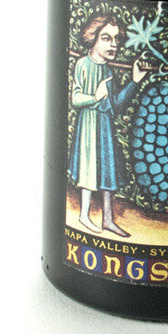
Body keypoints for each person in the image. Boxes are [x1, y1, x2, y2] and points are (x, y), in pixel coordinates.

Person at [68, 15, 147, 236]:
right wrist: (94, 97)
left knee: (108, 171)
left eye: (116, 39)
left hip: (105, 127)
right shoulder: (83, 64)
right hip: (89, 126)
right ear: (92, 38)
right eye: (106, 38)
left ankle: (108, 220)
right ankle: (84, 215)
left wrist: (135, 81)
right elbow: (75, 98)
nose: (114, 44)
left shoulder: (108, 71)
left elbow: (116, 104)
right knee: (88, 170)